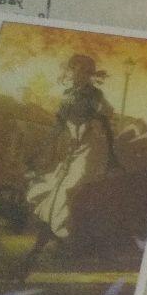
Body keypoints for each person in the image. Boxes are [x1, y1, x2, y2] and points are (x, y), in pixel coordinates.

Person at [18, 54, 121, 280]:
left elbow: (106, 122)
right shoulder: (67, 96)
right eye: (73, 69)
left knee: (67, 189)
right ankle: (46, 246)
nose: (76, 74)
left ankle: (63, 240)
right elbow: (57, 128)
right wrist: (39, 152)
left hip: (92, 149)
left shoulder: (95, 95)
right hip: (73, 149)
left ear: (87, 74)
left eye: (81, 71)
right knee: (52, 191)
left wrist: (111, 155)